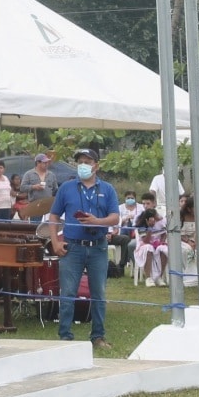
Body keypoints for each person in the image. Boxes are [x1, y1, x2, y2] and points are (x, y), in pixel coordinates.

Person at [46, 148, 118, 347]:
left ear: (97, 165)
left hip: (98, 247)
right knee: (68, 292)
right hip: (73, 247)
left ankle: (98, 336)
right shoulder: (67, 188)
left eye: (88, 161)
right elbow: (53, 216)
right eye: (80, 161)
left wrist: (97, 221)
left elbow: (115, 216)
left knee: (99, 293)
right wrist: (55, 241)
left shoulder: (108, 189)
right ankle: (65, 336)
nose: (83, 165)